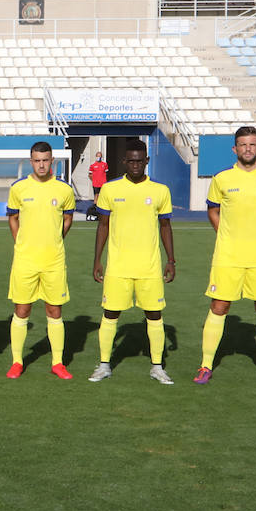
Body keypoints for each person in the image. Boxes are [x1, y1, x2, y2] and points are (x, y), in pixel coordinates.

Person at [194, 126, 256, 387]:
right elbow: (213, 211)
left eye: (253, 144)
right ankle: (205, 365)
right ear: (235, 149)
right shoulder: (222, 179)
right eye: (243, 145)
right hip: (228, 256)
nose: (248, 149)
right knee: (219, 306)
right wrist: (226, 234)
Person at [88, 139, 176, 385]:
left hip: (149, 267)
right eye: (131, 161)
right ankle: (104, 364)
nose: (136, 165)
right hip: (117, 266)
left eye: (140, 160)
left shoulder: (160, 190)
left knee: (154, 315)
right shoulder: (110, 189)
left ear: (146, 161)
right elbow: (103, 226)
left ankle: (157, 366)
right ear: (124, 162)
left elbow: (166, 227)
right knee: (110, 313)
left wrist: (171, 260)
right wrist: (97, 260)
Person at [5, 141, 76, 379]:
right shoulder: (18, 188)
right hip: (25, 260)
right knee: (22, 309)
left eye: (45, 160)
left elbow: (67, 219)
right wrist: (20, 243)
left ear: (52, 161)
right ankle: (17, 361)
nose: (42, 165)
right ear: (31, 161)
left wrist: (56, 239)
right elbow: (13, 218)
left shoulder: (64, 190)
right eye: (37, 160)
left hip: (53, 260)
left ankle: (57, 363)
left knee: (54, 310)